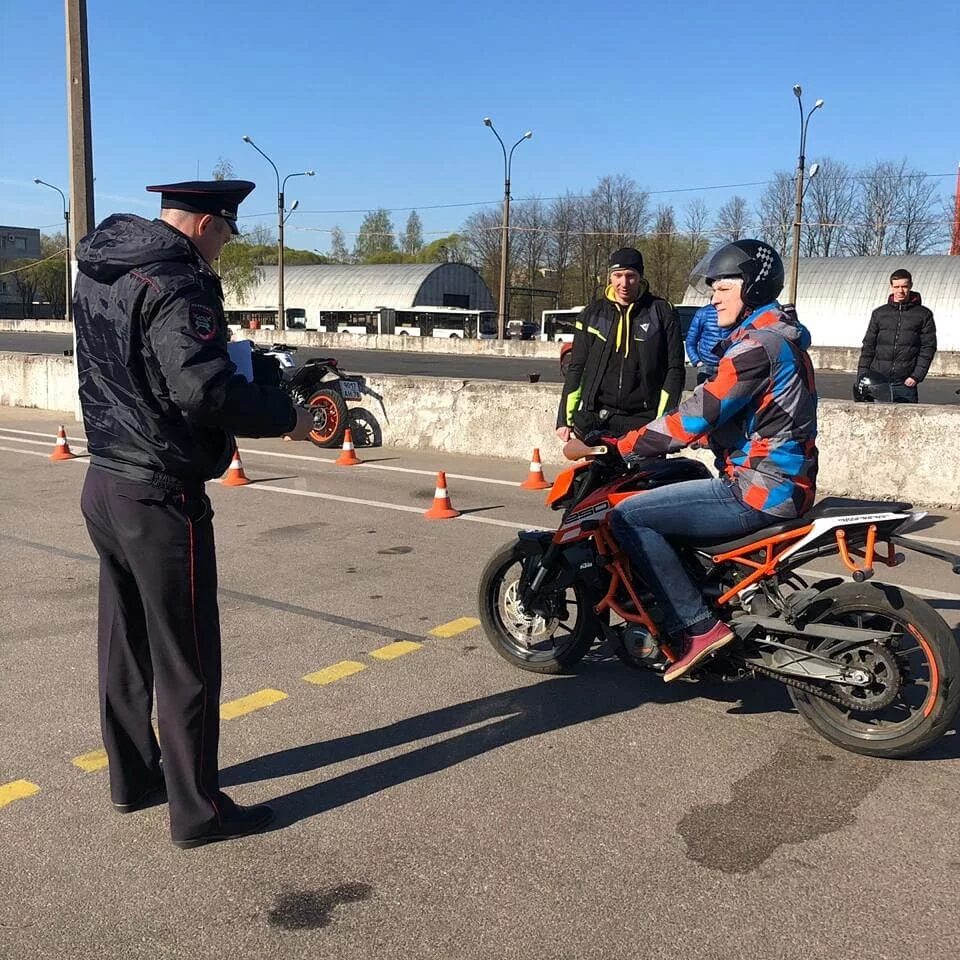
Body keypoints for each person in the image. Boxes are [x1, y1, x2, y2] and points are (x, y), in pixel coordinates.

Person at [74, 179, 314, 849]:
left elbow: (136, 369)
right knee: (189, 658)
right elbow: (200, 390)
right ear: (207, 224)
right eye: (226, 236)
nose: (222, 252)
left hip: (105, 477)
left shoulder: (102, 262)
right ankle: (199, 811)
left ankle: (135, 779)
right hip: (160, 492)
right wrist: (284, 415)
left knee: (125, 644)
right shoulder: (178, 279)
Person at [563, 240, 818, 682]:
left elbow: (697, 413)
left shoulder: (756, 346)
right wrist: (706, 440)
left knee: (629, 517)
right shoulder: (778, 339)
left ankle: (696, 628)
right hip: (781, 476)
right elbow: (757, 418)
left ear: (752, 288)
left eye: (722, 287)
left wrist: (624, 446)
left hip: (759, 487)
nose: (713, 298)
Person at [556, 247, 684, 441]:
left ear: (640, 276)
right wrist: (564, 419)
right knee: (591, 472)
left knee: (645, 473)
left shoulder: (662, 312)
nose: (623, 283)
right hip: (597, 417)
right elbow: (577, 367)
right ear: (610, 277)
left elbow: (674, 369)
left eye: (630, 276)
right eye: (618, 275)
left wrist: (664, 420)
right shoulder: (592, 314)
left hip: (644, 420)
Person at [856, 268, 937, 403]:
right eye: (897, 286)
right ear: (891, 287)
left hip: (905, 384)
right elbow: (868, 346)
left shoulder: (923, 314)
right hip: (877, 381)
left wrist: (916, 376)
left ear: (910, 286)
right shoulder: (879, 313)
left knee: (906, 423)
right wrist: (863, 375)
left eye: (904, 286)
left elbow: (928, 348)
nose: (900, 291)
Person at [684, 302, 722, 384]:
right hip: (706, 366)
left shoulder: (737, 312)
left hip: (727, 366)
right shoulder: (703, 313)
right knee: (703, 395)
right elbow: (690, 341)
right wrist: (697, 361)